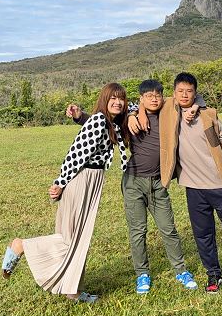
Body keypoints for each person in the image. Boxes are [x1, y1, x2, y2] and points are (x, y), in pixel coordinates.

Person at [130, 72, 222, 295]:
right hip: (193, 188)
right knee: (203, 235)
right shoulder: (168, 110)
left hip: (219, 184)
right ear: (173, 93)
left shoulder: (207, 114)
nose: (185, 95)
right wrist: (137, 113)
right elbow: (145, 100)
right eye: (180, 91)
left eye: (189, 91)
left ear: (195, 93)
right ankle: (213, 274)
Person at [0, 83, 130, 303]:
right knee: (70, 238)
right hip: (83, 179)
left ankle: (72, 289)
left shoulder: (109, 121)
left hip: (92, 180)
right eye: (113, 98)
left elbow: (134, 107)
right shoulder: (99, 121)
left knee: (79, 237)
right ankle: (22, 245)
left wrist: (81, 115)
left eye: (121, 99)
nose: (118, 102)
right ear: (104, 100)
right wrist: (60, 183)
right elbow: (76, 154)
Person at [67, 79, 198, 294]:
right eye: (149, 96)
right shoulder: (128, 118)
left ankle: (181, 270)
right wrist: (79, 116)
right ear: (141, 98)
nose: (154, 99)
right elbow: (102, 121)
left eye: (157, 95)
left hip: (158, 183)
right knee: (138, 231)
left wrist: (189, 108)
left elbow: (191, 98)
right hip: (133, 182)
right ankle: (142, 274)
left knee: (168, 229)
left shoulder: (169, 112)